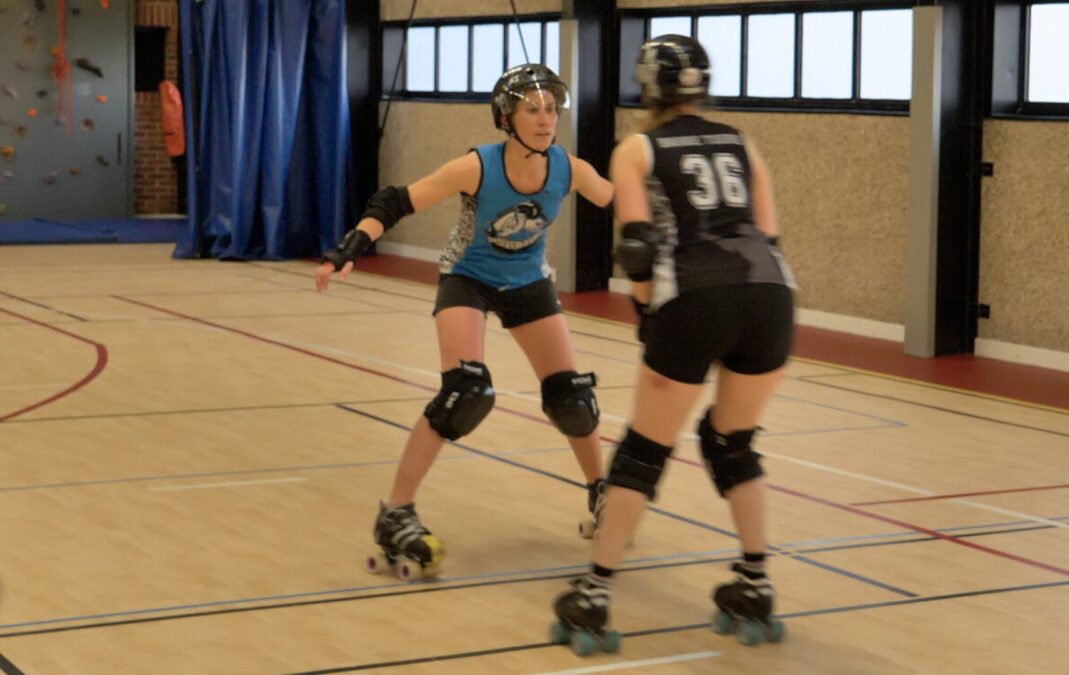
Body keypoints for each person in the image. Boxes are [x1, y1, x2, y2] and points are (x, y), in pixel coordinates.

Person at [315, 64, 615, 580]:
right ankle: (396, 512)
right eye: (532, 110)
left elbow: (621, 201)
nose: (546, 120)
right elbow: (397, 200)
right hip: (469, 277)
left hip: (527, 281)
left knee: (571, 396)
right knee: (465, 392)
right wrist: (353, 245)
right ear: (506, 117)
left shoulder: (568, 167)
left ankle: (603, 495)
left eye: (551, 110)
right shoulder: (479, 166)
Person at [549, 35, 796, 655]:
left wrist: (645, 311)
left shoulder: (637, 147)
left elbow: (637, 246)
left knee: (643, 450)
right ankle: (755, 581)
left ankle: (596, 592)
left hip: (695, 293)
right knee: (730, 441)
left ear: (647, 88)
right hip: (770, 294)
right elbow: (767, 232)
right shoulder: (742, 141)